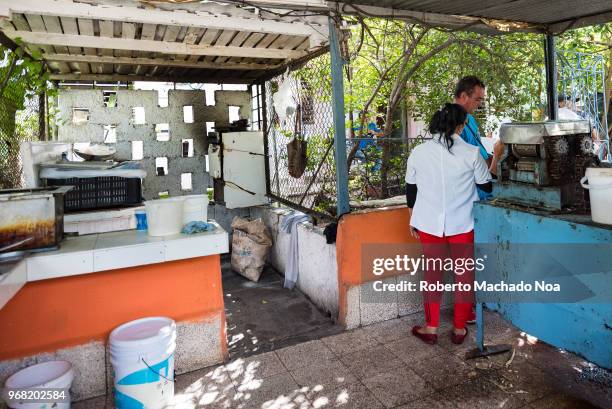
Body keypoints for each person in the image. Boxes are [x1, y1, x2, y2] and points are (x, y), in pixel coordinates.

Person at [405, 103, 492, 345]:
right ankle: (459, 329)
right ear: (461, 126)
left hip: (428, 224)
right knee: (464, 275)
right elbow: (486, 186)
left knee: (432, 274)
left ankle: (430, 328)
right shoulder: (471, 153)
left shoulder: (419, 152)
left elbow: (410, 191)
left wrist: (413, 219)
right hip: (462, 224)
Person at [454, 76, 504, 199]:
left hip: (485, 176)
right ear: (464, 96)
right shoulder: (452, 124)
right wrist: (497, 156)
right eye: (477, 99)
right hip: (474, 190)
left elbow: (478, 151)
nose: (480, 104)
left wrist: (494, 156)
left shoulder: (470, 119)